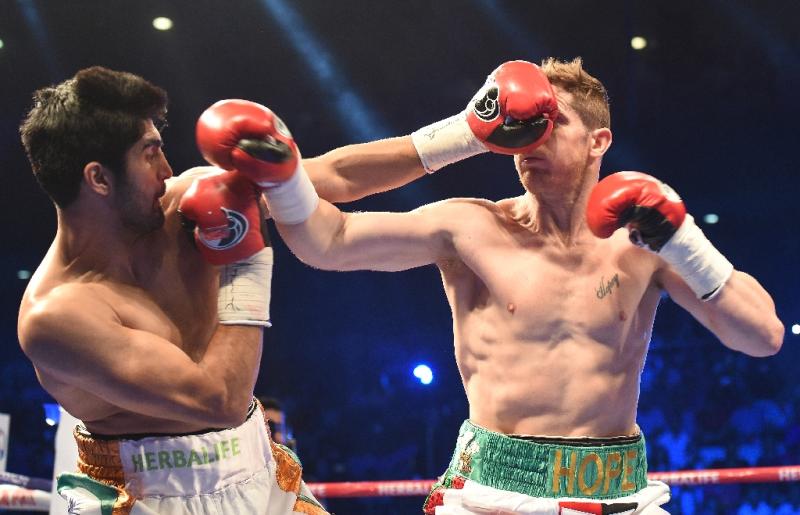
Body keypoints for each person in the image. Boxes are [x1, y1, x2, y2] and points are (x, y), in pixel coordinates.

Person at [220, 58, 784, 514]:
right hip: (492, 493)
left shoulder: (642, 240)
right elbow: (328, 241)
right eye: (525, 121)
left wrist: (683, 239)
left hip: (618, 493)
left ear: (598, 142)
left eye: (553, 121)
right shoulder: (472, 225)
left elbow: (762, 337)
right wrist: (284, 175)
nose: (532, 137)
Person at [17, 66, 427, 514]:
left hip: (259, 468)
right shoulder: (57, 317)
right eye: (150, 154)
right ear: (99, 179)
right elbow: (219, 399)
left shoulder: (183, 204)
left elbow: (332, 176)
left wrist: (469, 133)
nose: (168, 170)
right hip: (152, 497)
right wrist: (246, 257)